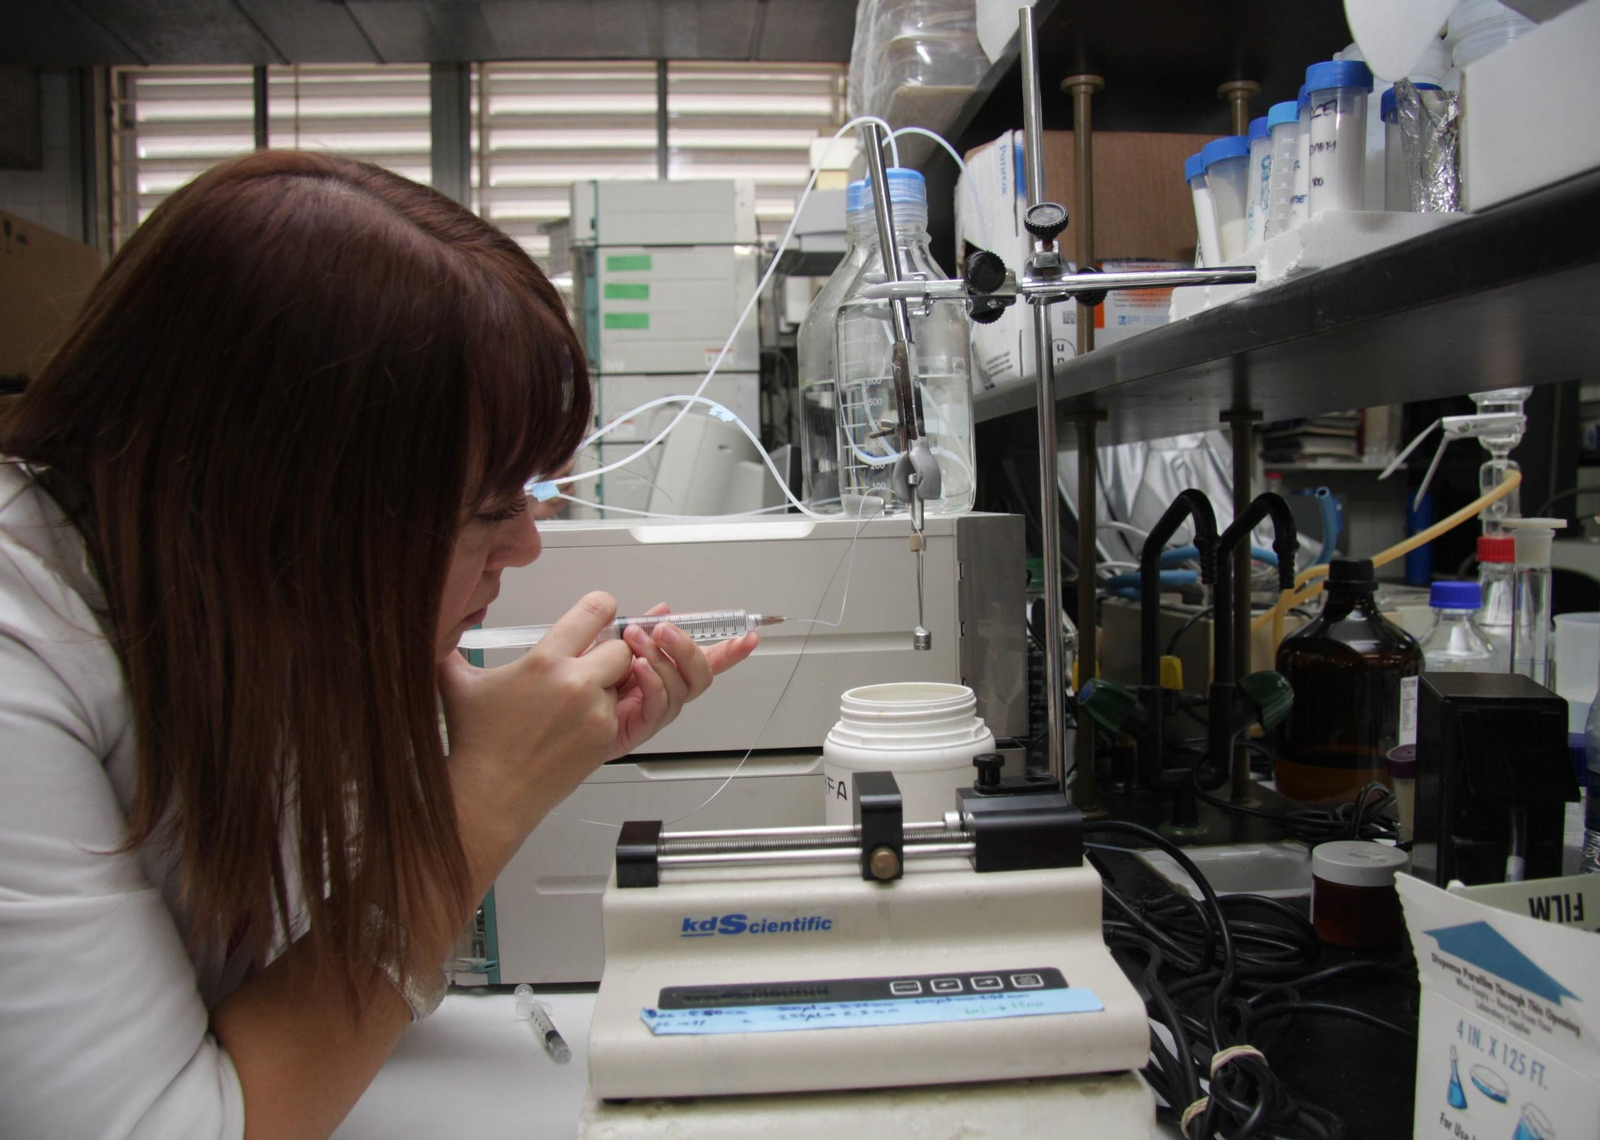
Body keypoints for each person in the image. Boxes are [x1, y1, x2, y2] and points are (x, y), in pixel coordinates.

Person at [0, 150, 756, 1140]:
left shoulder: (248, 620)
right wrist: (482, 796)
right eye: (490, 509)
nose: (524, 548)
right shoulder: (25, 658)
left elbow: (316, 997)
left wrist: (460, 759)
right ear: (288, 507)